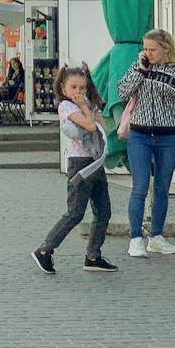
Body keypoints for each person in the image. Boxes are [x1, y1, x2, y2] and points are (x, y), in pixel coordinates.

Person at [32, 65, 116, 274]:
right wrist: (86, 108)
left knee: (103, 211)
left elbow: (102, 127)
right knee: (75, 212)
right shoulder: (67, 107)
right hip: (80, 163)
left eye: (82, 87)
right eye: (74, 87)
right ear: (63, 87)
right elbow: (88, 126)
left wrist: (94, 111)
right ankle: (44, 250)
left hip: (95, 162)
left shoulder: (88, 103)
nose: (78, 91)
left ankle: (93, 256)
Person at [117, 28, 175, 258]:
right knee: (140, 186)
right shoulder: (139, 67)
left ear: (165, 49)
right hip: (139, 135)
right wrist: (140, 70)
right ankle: (135, 238)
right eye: (145, 48)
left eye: (152, 49)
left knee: (162, 187)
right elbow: (122, 91)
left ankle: (157, 236)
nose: (147, 53)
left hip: (167, 136)